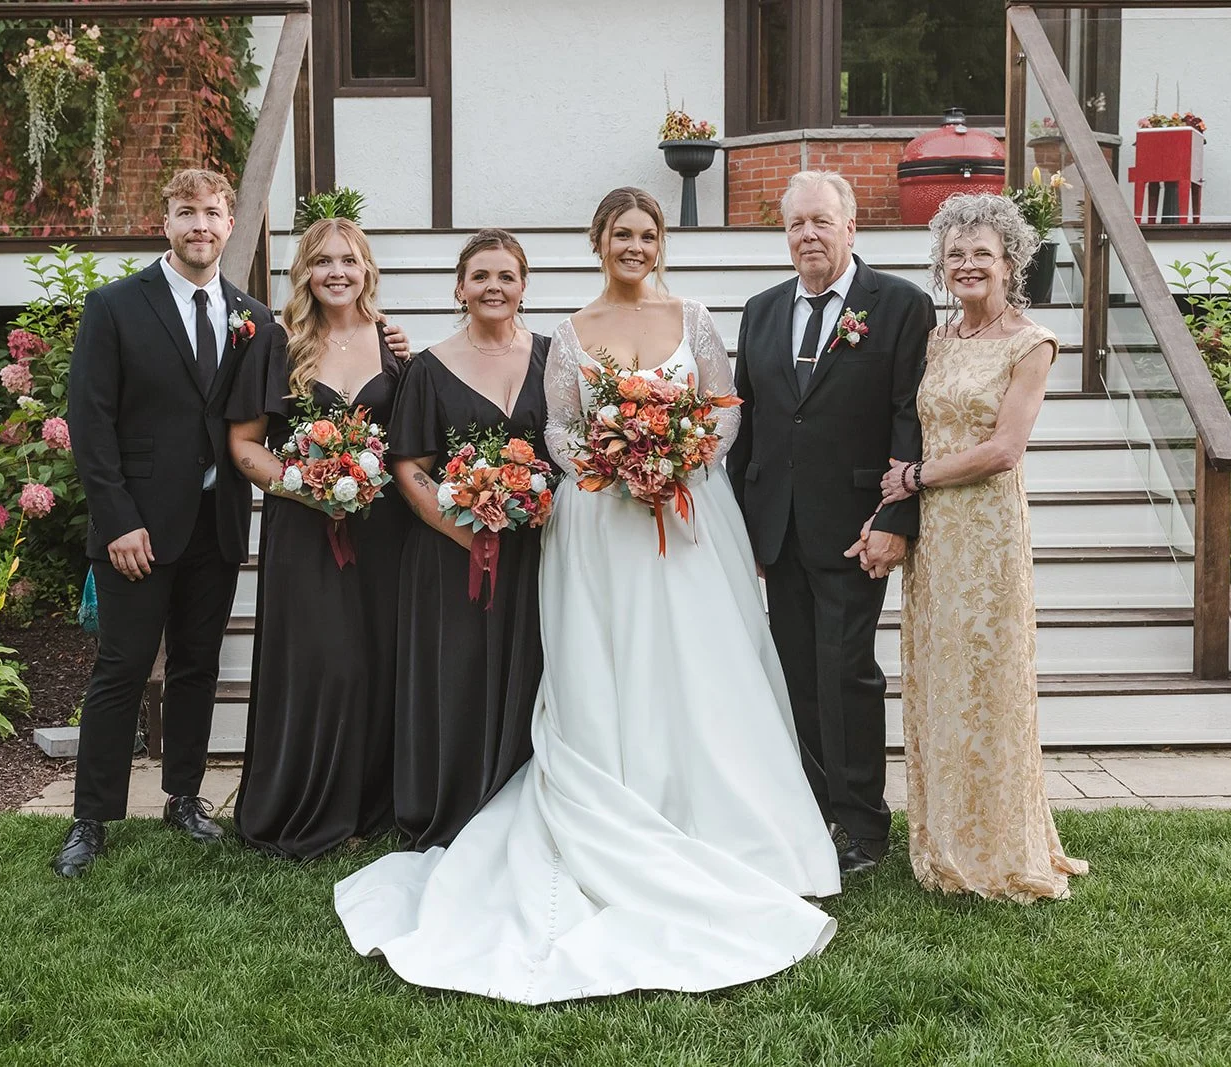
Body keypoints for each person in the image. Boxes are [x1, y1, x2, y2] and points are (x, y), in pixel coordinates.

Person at [334, 188, 841, 1005]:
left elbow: (724, 411)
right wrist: (618, 462)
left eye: (645, 235)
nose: (633, 246)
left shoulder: (697, 316)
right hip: (602, 518)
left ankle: (723, 819)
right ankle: (613, 786)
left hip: (689, 513)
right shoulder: (567, 335)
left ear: (660, 242)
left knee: (701, 662)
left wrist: (675, 458)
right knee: (612, 658)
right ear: (598, 242)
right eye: (620, 234)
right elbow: (562, 430)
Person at [57, 169, 272, 877]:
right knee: (119, 670)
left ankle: (184, 795)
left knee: (198, 666)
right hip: (137, 530)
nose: (200, 225)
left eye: (212, 213)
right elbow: (90, 422)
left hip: (216, 523)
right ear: (167, 222)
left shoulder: (253, 316)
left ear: (230, 224)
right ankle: (91, 819)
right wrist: (117, 518)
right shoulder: (116, 306)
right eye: (187, 213)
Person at [876, 192, 1088, 902]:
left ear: (1011, 263)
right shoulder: (936, 340)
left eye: (982, 254)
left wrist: (915, 477)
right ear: (941, 264)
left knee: (988, 679)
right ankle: (942, 838)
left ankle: (999, 846)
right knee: (939, 677)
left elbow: (1003, 449)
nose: (968, 265)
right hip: (934, 537)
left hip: (986, 531)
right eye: (955, 253)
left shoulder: (1032, 343)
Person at [728, 171, 933, 878]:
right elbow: (749, 421)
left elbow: (912, 417)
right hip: (775, 527)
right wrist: (742, 529)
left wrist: (894, 516)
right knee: (796, 676)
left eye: (821, 221)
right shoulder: (759, 310)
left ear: (851, 229)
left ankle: (863, 825)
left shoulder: (900, 306)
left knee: (845, 671)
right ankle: (811, 810)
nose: (808, 235)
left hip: (854, 525)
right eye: (795, 224)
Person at [226, 218, 409, 860]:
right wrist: (307, 483)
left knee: (374, 662)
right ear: (304, 271)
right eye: (323, 260)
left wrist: (360, 483)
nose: (337, 271)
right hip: (305, 530)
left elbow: (411, 443)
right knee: (322, 662)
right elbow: (244, 446)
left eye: (349, 260)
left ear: (367, 271)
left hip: (383, 534)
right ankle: (306, 802)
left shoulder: (394, 346)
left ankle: (367, 806)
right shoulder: (277, 344)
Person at [386, 228, 551, 850]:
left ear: (523, 287)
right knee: (460, 674)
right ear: (460, 288)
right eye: (481, 276)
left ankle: (529, 799)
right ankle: (457, 799)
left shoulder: (551, 356)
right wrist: (466, 533)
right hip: (453, 557)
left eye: (506, 276)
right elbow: (410, 466)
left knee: (535, 672)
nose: (494, 287)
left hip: (537, 553)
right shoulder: (429, 368)